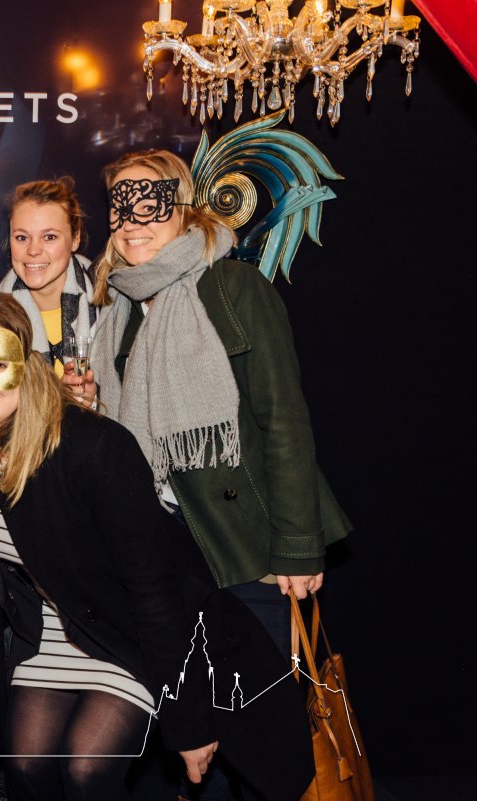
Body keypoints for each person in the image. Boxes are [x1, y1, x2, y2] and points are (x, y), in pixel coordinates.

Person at [0, 292, 313, 801]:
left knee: (87, 769)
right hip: (52, 633)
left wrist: (188, 721)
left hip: (133, 637)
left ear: (27, 368)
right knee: (26, 767)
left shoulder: (94, 448)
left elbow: (156, 592)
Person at [88, 149, 350, 646]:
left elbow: (284, 422)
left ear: (184, 209)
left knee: (259, 693)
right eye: (121, 208)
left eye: (149, 205)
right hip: (161, 556)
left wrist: (297, 547)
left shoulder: (233, 287)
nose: (133, 223)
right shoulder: (120, 308)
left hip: (245, 549)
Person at [0, 177, 98, 403]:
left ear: (75, 239)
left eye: (49, 237)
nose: (33, 250)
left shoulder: (108, 304)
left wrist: (93, 401)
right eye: (22, 237)